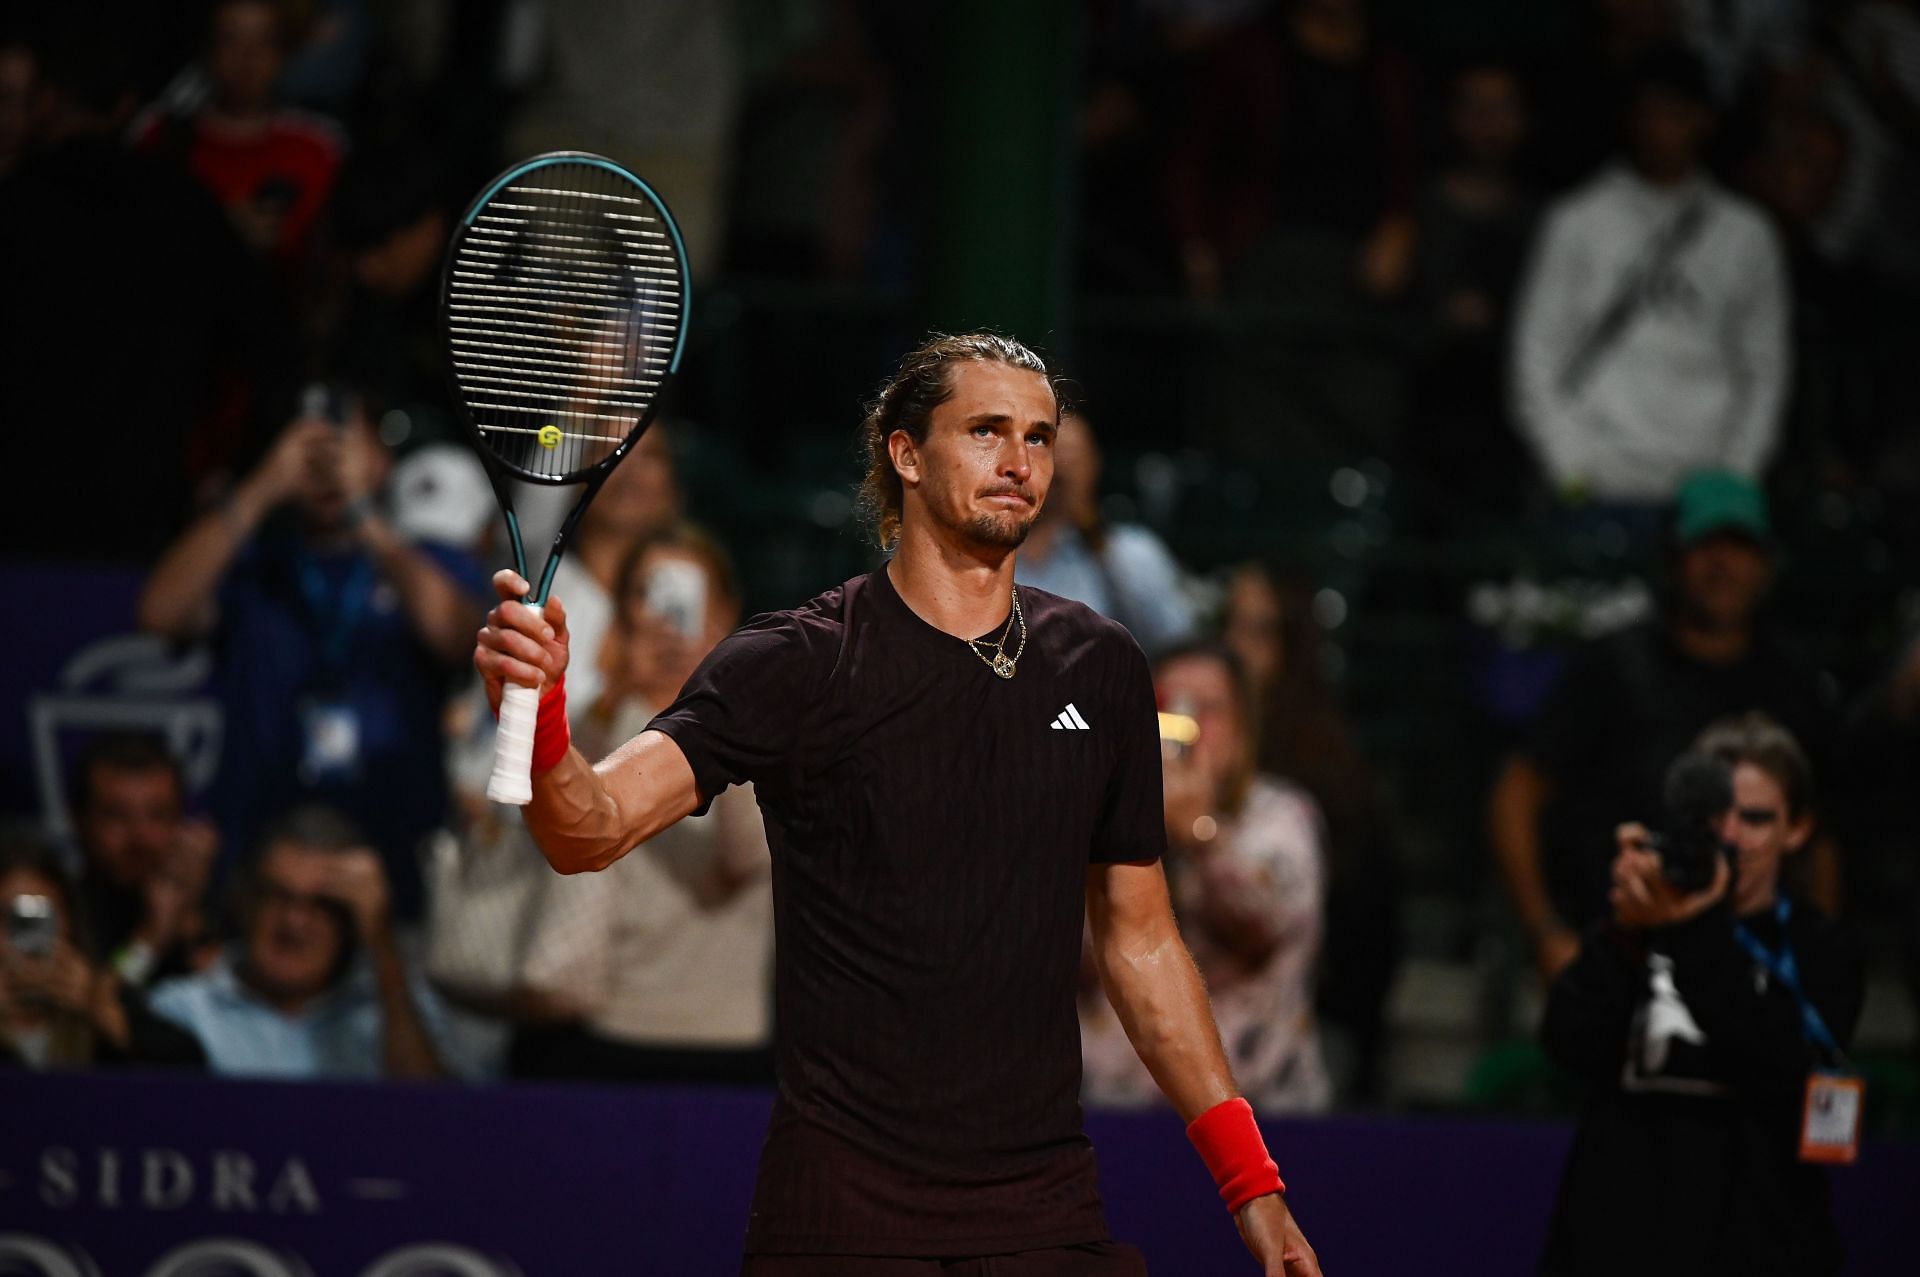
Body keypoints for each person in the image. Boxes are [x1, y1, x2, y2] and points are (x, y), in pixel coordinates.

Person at [473, 334, 1321, 1274]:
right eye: (987, 431)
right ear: (905, 454)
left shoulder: (1105, 664)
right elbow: (587, 828)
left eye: (1039, 437)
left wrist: (1251, 1184)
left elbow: (1143, 940)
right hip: (841, 1219)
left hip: (1041, 1210)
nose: (1019, 463)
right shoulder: (796, 660)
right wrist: (544, 719)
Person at [138, 395, 490, 919]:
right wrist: (261, 488)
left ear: (381, 462)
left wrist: (365, 518)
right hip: (259, 871)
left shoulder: (422, 562)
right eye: (310, 448)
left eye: (343, 446)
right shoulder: (256, 567)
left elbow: (455, 635)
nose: (325, 463)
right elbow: (159, 614)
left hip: (390, 867)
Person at [1538, 713, 1863, 1277]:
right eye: (1716, 816)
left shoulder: (1820, 949)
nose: (1732, 836)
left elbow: (1779, 1067)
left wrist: (1694, 931)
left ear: (1798, 829)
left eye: (1756, 818)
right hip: (1620, 1241)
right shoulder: (1642, 923)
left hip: (1762, 1245)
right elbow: (1568, 1044)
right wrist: (1625, 933)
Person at [1490, 471, 1836, 984]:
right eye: (1704, 545)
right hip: (1618, 961)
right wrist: (1544, 931)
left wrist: (1816, 962)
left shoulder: (1791, 688)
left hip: (1748, 973)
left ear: (1766, 564)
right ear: (1673, 558)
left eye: (1740, 546)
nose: (1722, 563)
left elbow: (1820, 844)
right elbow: (1517, 790)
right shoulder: (1613, 665)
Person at [510, 525, 773, 1084]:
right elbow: (557, 813)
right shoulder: (600, 720)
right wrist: (617, 690)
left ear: (723, 612)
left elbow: (747, 858)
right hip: (599, 1030)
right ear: (624, 613)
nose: (669, 619)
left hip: (725, 1034)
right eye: (649, 595)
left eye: (688, 596)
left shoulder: (760, 723)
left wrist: (718, 696)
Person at [1511, 45, 1791, 514]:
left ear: (1704, 119)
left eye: (1676, 112)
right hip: (1597, 480)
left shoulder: (1747, 234)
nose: (1661, 127)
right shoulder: (1577, 220)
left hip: (1708, 487)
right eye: (1650, 111)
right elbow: (1535, 356)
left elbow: (1765, 369)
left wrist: (1733, 481)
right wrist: (1572, 474)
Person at [1083, 644, 1331, 1114]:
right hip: (1117, 1116)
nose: (1186, 724)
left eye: (1207, 709)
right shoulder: (1104, 817)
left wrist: (1199, 833)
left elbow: (1265, 926)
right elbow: (1067, 955)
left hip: (1263, 1115)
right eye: (1168, 703)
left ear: (1243, 730)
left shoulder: (1281, 817)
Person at [1221, 563, 1398, 1103]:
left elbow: (1361, 931)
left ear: (1291, 644)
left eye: (1256, 630)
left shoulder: (1325, 774)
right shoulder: (1189, 751)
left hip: (1298, 1033)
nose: (1234, 646)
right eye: (1228, 624)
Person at [149, 805, 447, 1079]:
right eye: (278, 896)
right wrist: (146, 941)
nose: (295, 922)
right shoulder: (182, 1012)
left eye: (319, 904)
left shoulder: (394, 1012)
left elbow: (437, 1121)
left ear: (348, 920)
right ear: (245, 902)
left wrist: (382, 945)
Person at [1407, 60, 1543, 528]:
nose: (1489, 125)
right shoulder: (1416, 210)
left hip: (1513, 423)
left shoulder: (1544, 221)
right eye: (1476, 109)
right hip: (1424, 422)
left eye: (1502, 109)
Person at [135, 0, 344, 269]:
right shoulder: (157, 134)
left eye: (264, 42)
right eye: (230, 41)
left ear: (284, 52)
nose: (248, 58)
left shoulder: (319, 146)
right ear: (206, 48)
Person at [0, 829, 206, 1072]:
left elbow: (189, 1065)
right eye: (10, 917)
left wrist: (101, 1011)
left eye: (42, 916)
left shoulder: (100, 994)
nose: (29, 935)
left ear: (70, 924)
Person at [1015, 411, 1197, 655]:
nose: (1062, 467)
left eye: (1073, 455)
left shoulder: (1133, 552)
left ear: (1094, 463)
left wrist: (1093, 534)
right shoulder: (995, 547)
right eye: (1049, 452)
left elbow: (1178, 643)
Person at [68, 733, 219, 989]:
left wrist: (191, 918)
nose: (141, 837)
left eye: (158, 815)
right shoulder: (65, 912)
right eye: (117, 816)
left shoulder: (225, 906)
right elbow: (97, 1008)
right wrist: (150, 939)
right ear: (80, 823)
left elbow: (235, 1013)